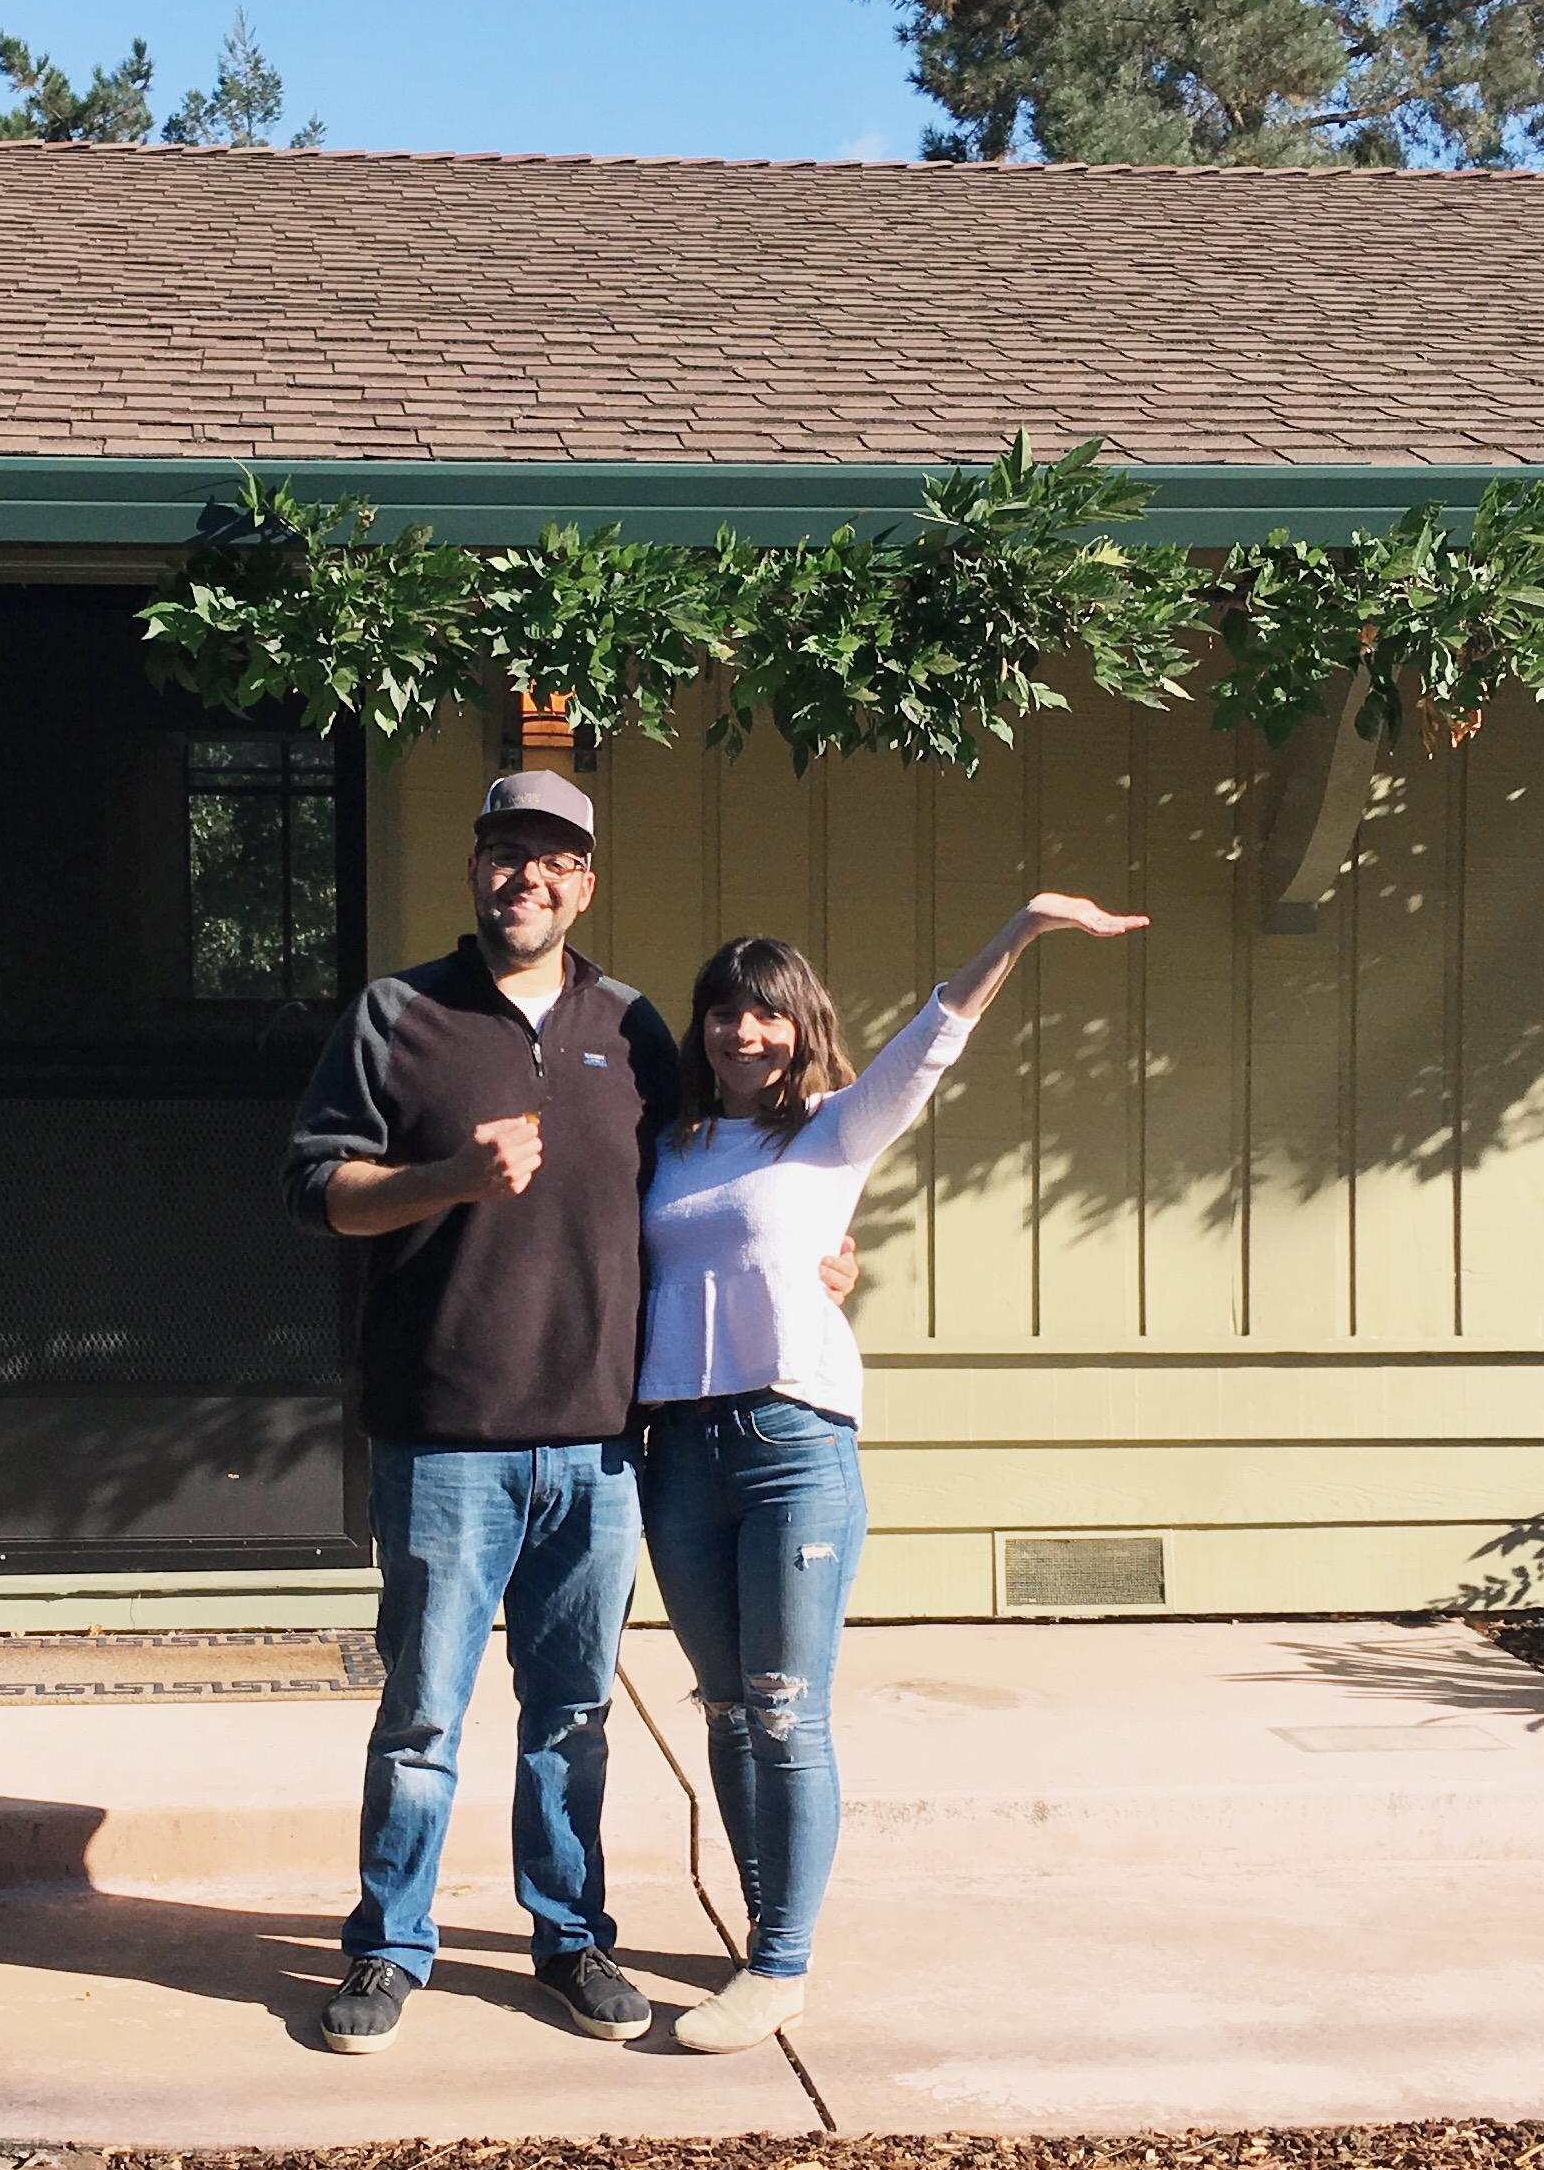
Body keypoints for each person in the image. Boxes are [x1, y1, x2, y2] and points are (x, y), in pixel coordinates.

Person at [281, 771, 851, 2057]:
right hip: (440, 1437)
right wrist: (446, 1177)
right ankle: (388, 1950)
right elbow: (317, 1192)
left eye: (551, 860)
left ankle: (570, 1937)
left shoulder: (639, 1027)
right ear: (474, 868)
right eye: (502, 853)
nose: (523, 878)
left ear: (585, 881)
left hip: (601, 1446)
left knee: (571, 1715)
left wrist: (820, 1251)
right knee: (424, 1714)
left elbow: (727, 1168)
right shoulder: (396, 1014)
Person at [635, 890, 1147, 2053]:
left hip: (791, 1448)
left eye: (765, 1016)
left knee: (783, 1708)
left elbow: (931, 1044)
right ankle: (771, 1925)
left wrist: (1017, 928)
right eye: (723, 1014)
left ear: (798, 1027)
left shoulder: (830, 1132)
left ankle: (779, 1965)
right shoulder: (667, 1150)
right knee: (723, 1709)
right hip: (680, 1454)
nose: (741, 1034)